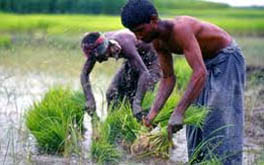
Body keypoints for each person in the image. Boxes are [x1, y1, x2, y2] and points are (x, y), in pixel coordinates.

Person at [121, 0, 245, 164]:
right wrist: (152, 114)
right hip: (205, 63)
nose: (138, 37)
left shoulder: (181, 29)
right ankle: (198, 161)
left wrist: (178, 111)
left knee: (218, 117)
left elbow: (199, 73)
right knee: (195, 118)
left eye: (140, 30)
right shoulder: (157, 41)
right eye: (134, 32)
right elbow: (167, 78)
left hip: (226, 58)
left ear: (154, 19)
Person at [80, 29, 161, 120]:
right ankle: (114, 124)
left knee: (143, 95)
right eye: (96, 58)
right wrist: (89, 99)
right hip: (133, 60)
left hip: (153, 59)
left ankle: (144, 126)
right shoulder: (95, 46)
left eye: (100, 57)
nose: (99, 61)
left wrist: (137, 103)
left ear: (106, 47)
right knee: (112, 93)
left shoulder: (124, 42)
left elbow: (144, 73)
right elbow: (84, 74)